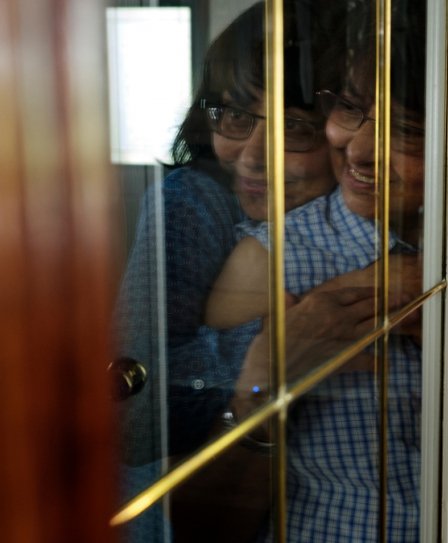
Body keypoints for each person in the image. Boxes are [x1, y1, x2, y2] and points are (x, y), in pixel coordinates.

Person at [112, 1, 341, 539]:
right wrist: (279, 334)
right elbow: (134, 419)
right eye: (237, 117)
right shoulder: (192, 202)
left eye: (296, 127)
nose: (254, 156)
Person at [207, 0, 429, 540]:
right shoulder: (269, 260)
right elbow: (212, 514)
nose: (359, 150)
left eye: (401, 128)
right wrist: (270, 379)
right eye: (349, 109)